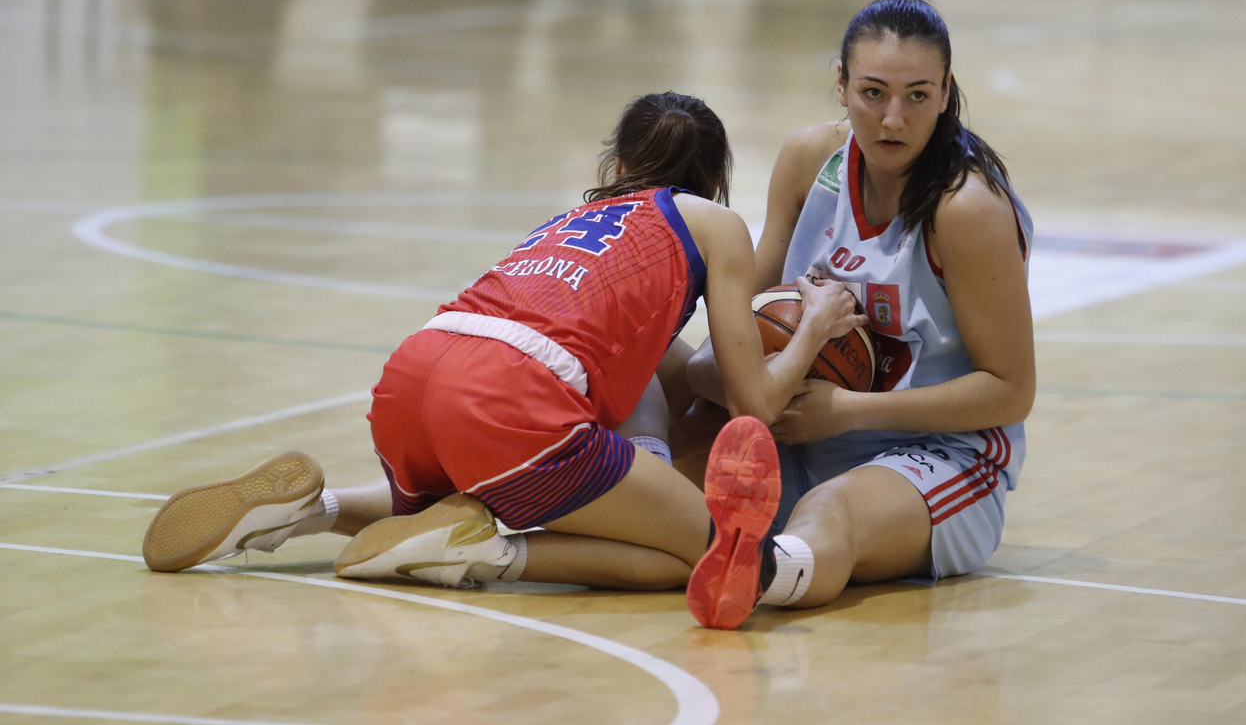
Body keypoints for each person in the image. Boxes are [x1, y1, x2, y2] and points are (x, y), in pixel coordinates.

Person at [140, 92, 864, 598]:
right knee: (710, 554)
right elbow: (754, 402)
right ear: (715, 180)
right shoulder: (710, 220)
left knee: (462, 494)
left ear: (617, 165)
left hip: (415, 377)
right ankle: (489, 551)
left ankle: (312, 510)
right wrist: (814, 324)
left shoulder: (569, 221)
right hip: (507, 397)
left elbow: (657, 368)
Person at [682, 0, 1035, 628]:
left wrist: (846, 411)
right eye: (873, 92)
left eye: (917, 96)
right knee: (671, 434)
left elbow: (1010, 390)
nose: (893, 118)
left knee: (831, 511)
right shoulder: (808, 161)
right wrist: (744, 379)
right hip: (801, 424)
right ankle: (515, 543)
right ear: (841, 84)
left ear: (946, 93)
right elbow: (733, 332)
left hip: (938, 455)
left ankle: (760, 574)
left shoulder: (966, 208)